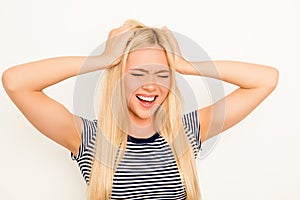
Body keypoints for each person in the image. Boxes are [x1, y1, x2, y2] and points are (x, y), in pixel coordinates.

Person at [1, 20, 279, 200]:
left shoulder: (188, 131)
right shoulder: (88, 137)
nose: (150, 85)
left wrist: (185, 66)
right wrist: (104, 59)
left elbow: (266, 80)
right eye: (137, 74)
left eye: (161, 74)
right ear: (117, 79)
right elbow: (15, 82)